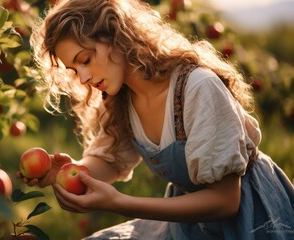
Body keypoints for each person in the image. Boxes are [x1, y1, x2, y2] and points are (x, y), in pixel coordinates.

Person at [18, 0, 294, 239]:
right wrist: (66, 174)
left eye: (85, 59)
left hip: (250, 221)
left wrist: (121, 203)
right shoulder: (123, 99)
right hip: (188, 221)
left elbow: (225, 201)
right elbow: (109, 161)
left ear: (116, 34)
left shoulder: (197, 87)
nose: (83, 78)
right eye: (73, 69)